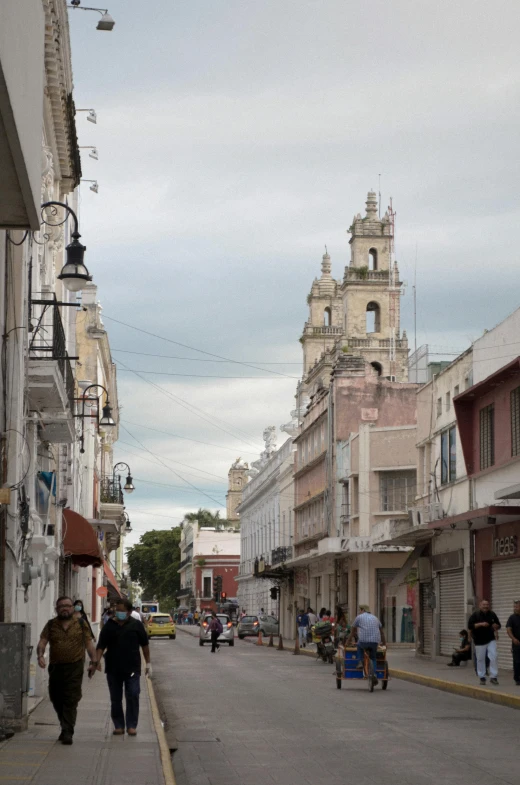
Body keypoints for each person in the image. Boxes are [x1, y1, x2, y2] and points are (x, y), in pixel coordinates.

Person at [36, 596, 98, 745]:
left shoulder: (81, 623)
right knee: (56, 698)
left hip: (75, 666)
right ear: (56, 609)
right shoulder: (51, 625)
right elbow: (43, 641)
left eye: (68, 605)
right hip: (56, 667)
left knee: (70, 699)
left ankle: (67, 731)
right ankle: (65, 725)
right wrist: (40, 656)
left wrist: (94, 662)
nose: (65, 608)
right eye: (61, 606)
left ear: (72, 608)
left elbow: (89, 644)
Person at [95, 598, 151, 736]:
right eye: (117, 610)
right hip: (113, 668)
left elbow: (144, 645)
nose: (119, 613)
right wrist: (95, 661)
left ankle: (131, 725)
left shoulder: (136, 625)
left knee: (133, 694)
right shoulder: (109, 626)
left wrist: (148, 663)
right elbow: (101, 645)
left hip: (132, 668)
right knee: (115, 698)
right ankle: (119, 725)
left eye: (122, 611)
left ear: (129, 612)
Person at [346, 605, 386, 686]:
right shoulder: (375, 618)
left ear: (363, 610)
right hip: (375, 642)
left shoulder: (359, 617)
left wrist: (348, 641)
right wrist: (384, 643)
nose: (359, 611)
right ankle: (374, 674)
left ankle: (360, 661)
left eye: (360, 610)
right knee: (373, 657)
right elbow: (381, 632)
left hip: (363, 641)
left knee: (359, 646)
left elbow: (353, 631)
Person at [468, 599, 501, 685]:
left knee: (494, 656)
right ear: (480, 605)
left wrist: (496, 626)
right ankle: (482, 677)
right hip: (479, 640)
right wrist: (481, 624)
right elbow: (470, 626)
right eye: (484, 605)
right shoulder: (475, 615)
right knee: (480, 659)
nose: (486, 606)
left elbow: (498, 625)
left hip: (490, 639)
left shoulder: (492, 614)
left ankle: (493, 676)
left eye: (487, 604)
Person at [506, 599, 520, 686]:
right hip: (517, 643)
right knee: (517, 661)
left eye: (517, 606)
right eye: (514, 606)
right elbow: (508, 629)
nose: (515, 608)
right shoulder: (512, 618)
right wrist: (513, 638)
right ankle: (517, 678)